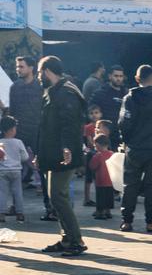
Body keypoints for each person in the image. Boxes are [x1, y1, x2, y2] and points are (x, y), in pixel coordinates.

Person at [37, 56, 87, 256]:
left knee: (59, 195)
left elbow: (70, 125)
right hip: (52, 153)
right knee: (56, 196)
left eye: (41, 72)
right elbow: (46, 126)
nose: (40, 76)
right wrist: (40, 153)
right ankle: (67, 238)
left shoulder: (67, 93)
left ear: (48, 71)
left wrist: (67, 147)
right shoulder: (53, 92)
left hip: (64, 154)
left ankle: (76, 240)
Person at [118, 65, 152, 233]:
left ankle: (127, 221)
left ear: (136, 78)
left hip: (135, 147)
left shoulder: (129, 98)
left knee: (130, 185)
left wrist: (125, 141)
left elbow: (123, 123)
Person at [9, 57, 43, 199]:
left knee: (40, 162)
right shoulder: (15, 87)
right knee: (14, 166)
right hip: (19, 130)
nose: (18, 69)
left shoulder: (40, 86)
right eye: (17, 66)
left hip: (36, 129)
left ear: (31, 68)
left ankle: (46, 200)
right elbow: (12, 110)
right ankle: (13, 202)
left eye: (21, 66)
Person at [0, 116, 29, 223]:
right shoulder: (18, 142)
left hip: (2, 171)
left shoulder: (0, 142)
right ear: (12, 129)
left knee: (2, 192)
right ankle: (20, 214)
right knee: (17, 192)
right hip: (16, 170)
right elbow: (25, 157)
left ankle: (1, 214)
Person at [88, 134, 113, 220]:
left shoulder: (98, 155)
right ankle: (108, 211)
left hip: (100, 181)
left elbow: (92, 166)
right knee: (109, 196)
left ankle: (100, 212)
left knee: (100, 197)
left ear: (97, 145)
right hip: (110, 180)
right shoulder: (111, 154)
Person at [83, 105, 103, 207]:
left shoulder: (103, 126)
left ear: (100, 114)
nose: (94, 115)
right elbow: (89, 142)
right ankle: (86, 199)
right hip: (91, 153)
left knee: (99, 177)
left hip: (100, 153)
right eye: (91, 113)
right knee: (89, 178)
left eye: (96, 112)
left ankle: (100, 199)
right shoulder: (88, 127)